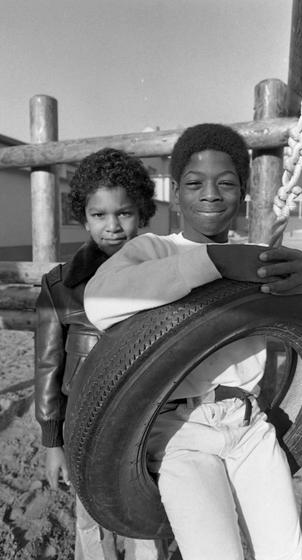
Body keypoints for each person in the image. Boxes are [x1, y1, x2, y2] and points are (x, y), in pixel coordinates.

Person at [84, 124, 302, 560]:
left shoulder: (257, 257)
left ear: (243, 192)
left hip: (248, 424)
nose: (210, 194)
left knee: (287, 552)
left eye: (226, 183)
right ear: (176, 190)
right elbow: (100, 300)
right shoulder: (155, 251)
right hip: (179, 432)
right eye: (194, 183)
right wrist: (212, 260)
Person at [34, 148, 170, 560]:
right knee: (91, 522)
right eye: (99, 215)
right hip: (83, 432)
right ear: (83, 216)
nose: (112, 227)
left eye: (124, 213)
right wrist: (52, 441)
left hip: (149, 427)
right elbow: (47, 369)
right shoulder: (60, 285)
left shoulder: (167, 277)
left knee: (146, 522)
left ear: (143, 211)